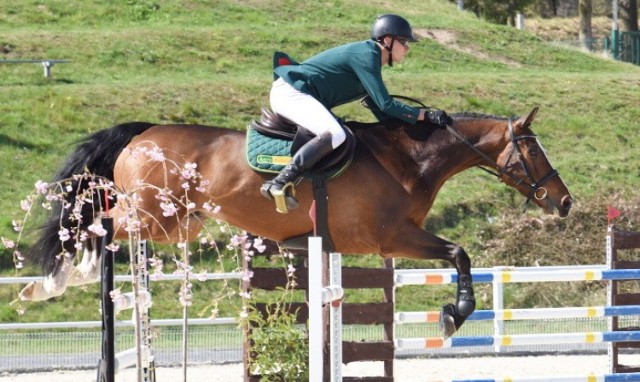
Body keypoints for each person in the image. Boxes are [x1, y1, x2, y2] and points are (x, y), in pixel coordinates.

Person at [260, 13, 453, 212]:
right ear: (387, 40)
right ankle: (280, 181)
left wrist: (423, 125)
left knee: (339, 133)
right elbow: (386, 104)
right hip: (292, 93)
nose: (407, 47)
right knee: (335, 134)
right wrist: (425, 115)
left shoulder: (369, 60)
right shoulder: (366, 55)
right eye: (403, 41)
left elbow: (383, 113)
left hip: (295, 93)